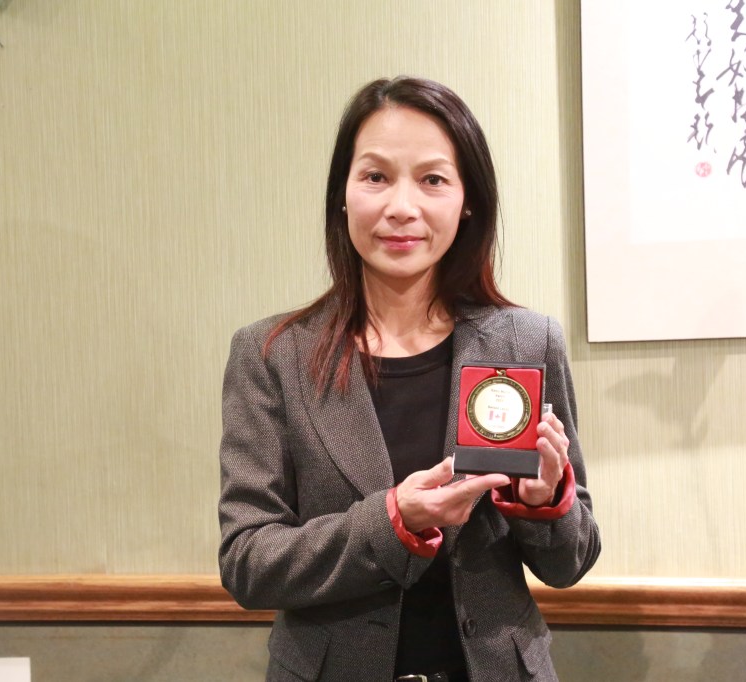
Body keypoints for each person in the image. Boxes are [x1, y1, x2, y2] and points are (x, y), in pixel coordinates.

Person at [218, 76, 600, 682]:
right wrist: (394, 520)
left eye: (433, 179)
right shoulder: (272, 355)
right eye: (375, 176)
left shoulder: (527, 343)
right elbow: (248, 562)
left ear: (467, 200)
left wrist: (543, 502)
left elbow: (570, 563)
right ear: (342, 196)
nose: (401, 206)